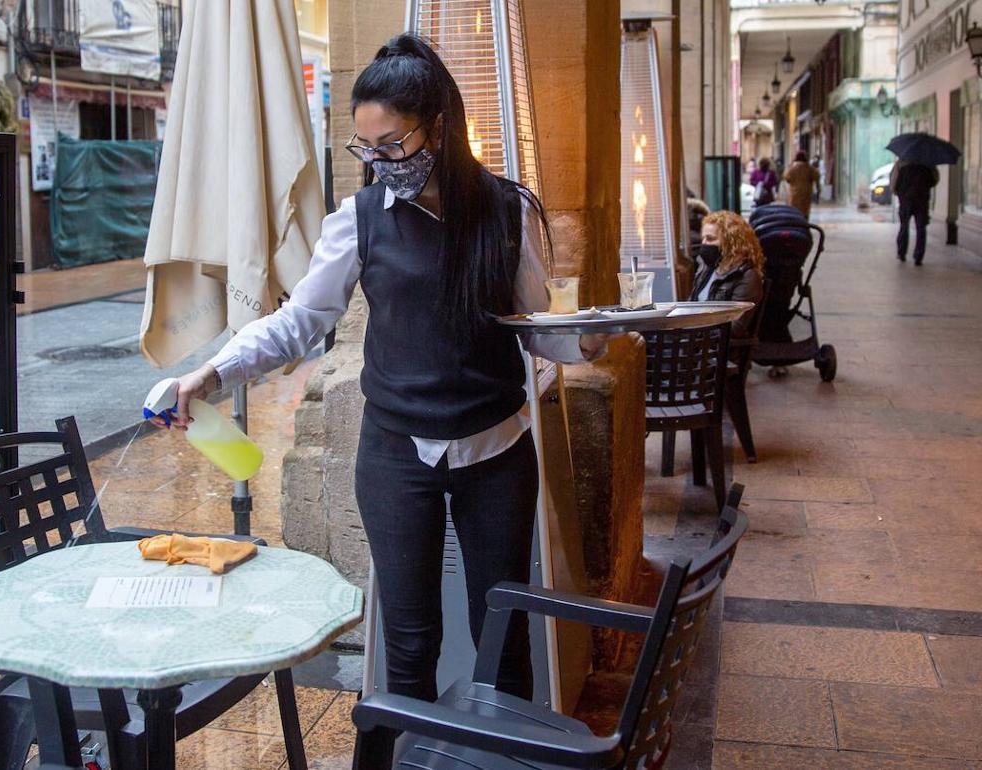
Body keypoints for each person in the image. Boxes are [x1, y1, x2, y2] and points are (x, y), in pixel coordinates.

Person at [155, 34, 608, 703]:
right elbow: (299, 322)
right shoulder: (357, 221)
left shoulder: (507, 212)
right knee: (409, 635)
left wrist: (589, 341)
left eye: (393, 144)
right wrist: (212, 373)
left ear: (440, 127)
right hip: (395, 454)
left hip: (497, 451)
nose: (381, 162)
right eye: (367, 148)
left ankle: (502, 750)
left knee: (504, 626)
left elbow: (536, 328)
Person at [692, 211, 764, 344]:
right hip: (695, 341)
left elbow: (734, 328)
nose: (704, 243)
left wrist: (690, 328)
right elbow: (691, 305)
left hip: (719, 352)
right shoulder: (707, 266)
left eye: (710, 239)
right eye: (703, 238)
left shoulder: (747, 276)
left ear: (730, 242)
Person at [892, 158, 940, 265]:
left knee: (904, 226)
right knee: (921, 228)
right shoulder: (928, 162)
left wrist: (898, 192)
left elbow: (894, 181)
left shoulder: (901, 162)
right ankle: (918, 256)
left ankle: (901, 253)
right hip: (922, 199)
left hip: (906, 199)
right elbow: (935, 179)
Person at [784, 151, 820, 218]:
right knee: (805, 211)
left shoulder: (792, 168)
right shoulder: (809, 168)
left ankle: (796, 224)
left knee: (794, 211)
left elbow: (787, 178)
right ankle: (804, 224)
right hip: (806, 193)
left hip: (794, 193)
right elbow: (817, 176)